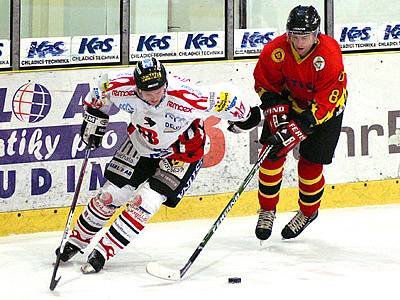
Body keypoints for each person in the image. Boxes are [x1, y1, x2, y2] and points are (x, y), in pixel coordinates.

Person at [56, 57, 260, 274]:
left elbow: (228, 96)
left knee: (146, 201)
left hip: (182, 152)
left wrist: (247, 117)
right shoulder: (119, 86)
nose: (154, 96)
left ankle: (103, 252)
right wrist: (94, 117)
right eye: (147, 92)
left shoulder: (187, 96)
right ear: (136, 88)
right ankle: (76, 241)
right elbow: (98, 94)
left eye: (159, 89)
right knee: (111, 194)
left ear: (166, 83)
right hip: (141, 142)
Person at [229, 5, 347, 241]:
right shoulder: (276, 50)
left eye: (304, 36)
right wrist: (276, 110)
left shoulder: (330, 55)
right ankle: (267, 209)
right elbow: (265, 83)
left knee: (309, 166)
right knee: (271, 155)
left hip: (326, 111)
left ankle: (308, 211)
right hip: (291, 103)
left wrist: (297, 129)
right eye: (294, 35)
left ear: (316, 34)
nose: (299, 42)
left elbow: (326, 102)